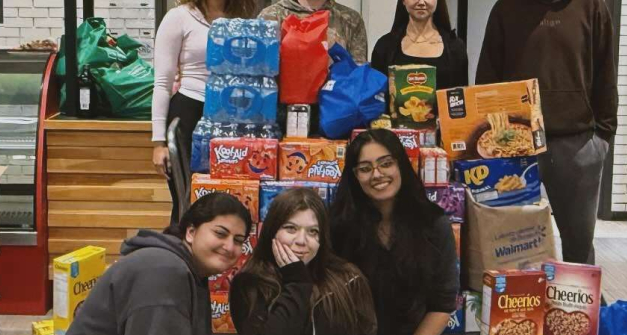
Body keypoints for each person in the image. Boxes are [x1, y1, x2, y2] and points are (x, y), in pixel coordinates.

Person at [475, 0, 617, 266]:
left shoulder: (591, 6)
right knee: (511, 241)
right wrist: (492, 139)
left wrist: (603, 137)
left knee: (578, 243)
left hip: (577, 144)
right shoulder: (505, 9)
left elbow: (606, 74)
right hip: (515, 147)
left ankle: (577, 313)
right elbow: (488, 78)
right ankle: (520, 310)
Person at [151, 0, 262, 222]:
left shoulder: (241, 23)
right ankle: (181, 260)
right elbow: (162, 83)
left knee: (224, 195)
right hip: (188, 110)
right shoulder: (178, 17)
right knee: (186, 198)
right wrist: (158, 142)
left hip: (230, 116)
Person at [67, 193, 253, 335]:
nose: (229, 247)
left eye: (238, 240)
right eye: (220, 233)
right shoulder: (164, 271)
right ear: (191, 232)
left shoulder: (189, 269)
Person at [330, 129, 459, 335]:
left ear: (401, 165)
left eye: (386, 163)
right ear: (354, 176)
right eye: (365, 168)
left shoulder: (434, 224)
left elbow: (442, 304)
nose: (377, 174)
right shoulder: (337, 226)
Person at [230, 188, 377, 335]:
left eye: (313, 231)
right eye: (291, 228)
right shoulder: (248, 284)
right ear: (272, 232)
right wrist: (297, 281)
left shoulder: (349, 279)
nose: (301, 241)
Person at [371, 0, 468, 91]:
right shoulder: (385, 46)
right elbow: (375, 95)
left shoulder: (455, 47)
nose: (421, 2)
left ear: (438, 0)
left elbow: (461, 97)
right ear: (403, 0)